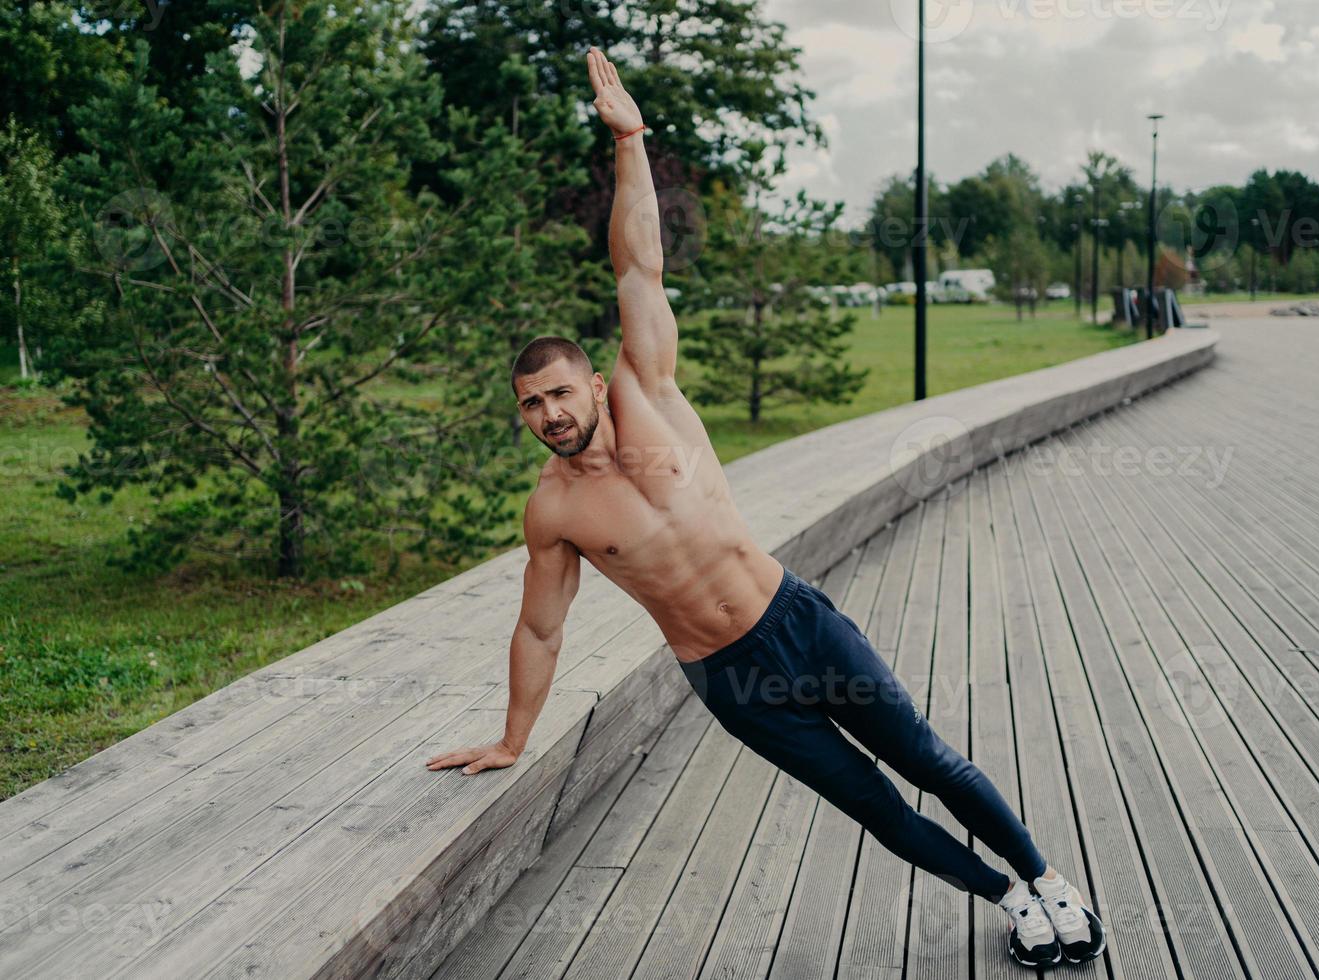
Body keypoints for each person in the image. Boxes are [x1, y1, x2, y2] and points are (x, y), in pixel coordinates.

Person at [426, 46, 1104, 969]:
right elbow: (540, 631)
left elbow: (639, 266)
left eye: (558, 393)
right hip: (728, 681)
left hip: (797, 621)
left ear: (591, 380)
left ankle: (1049, 877)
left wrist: (630, 141)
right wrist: (512, 738)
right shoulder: (552, 513)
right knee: (875, 809)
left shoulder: (647, 391)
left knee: (930, 764)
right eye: (530, 405)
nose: (548, 414)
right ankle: (1012, 901)